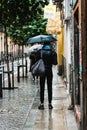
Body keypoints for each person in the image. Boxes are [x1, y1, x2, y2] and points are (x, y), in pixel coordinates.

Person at [38, 42, 57, 110]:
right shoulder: (52, 52)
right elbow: (55, 63)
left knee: (42, 87)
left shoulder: (40, 51)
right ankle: (50, 104)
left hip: (42, 71)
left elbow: (37, 61)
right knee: (49, 87)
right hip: (49, 70)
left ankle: (42, 104)